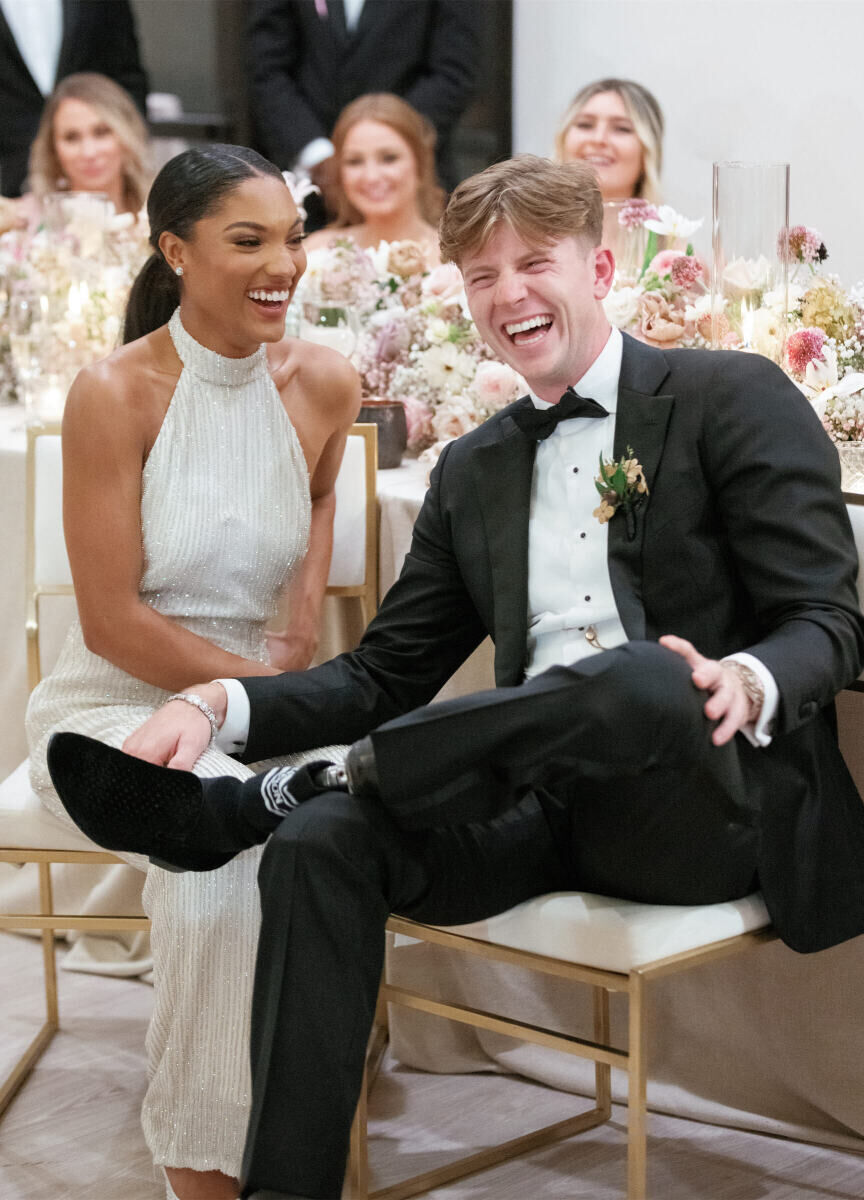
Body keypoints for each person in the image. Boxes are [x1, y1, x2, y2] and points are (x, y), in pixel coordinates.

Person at [48, 156, 864, 1200]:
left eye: (534, 263)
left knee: (648, 682)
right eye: (481, 276)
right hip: (538, 804)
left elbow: (830, 623)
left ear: (600, 265)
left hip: (703, 803)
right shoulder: (475, 468)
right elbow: (383, 673)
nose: (508, 295)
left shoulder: (726, 396)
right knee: (320, 846)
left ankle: (294, 786)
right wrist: (221, 702)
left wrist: (745, 680)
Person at [26, 144, 360, 1200]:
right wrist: (266, 696)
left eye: (293, 239)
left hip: (252, 700)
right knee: (220, 871)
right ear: (175, 251)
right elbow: (116, 622)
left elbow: (314, 495)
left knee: (292, 848)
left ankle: (291, 1134)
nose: (284, 266)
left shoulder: (325, 381)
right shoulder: (114, 393)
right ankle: (206, 1170)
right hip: (118, 697)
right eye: (248, 241)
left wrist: (301, 619)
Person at [247, 0, 482, 221]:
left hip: (412, 194)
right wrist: (317, 155)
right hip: (312, 198)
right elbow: (266, 69)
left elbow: (453, 74)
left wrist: (386, 149)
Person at [0, 0, 147, 198]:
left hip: (114, 185)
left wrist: (129, 147)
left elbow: (127, 74)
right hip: (10, 176)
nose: (89, 152)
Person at [303, 93, 443, 260]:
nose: (371, 177)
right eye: (355, 161)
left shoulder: (457, 259)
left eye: (389, 158)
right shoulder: (316, 251)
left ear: (420, 162)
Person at [19, 71, 152, 222]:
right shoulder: (26, 222)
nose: (89, 153)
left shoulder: (161, 215)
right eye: (71, 138)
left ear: (127, 135)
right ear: (53, 149)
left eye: (101, 133)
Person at [554, 77, 664, 204]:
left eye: (622, 128)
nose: (598, 139)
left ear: (648, 151)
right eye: (585, 124)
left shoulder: (675, 223)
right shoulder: (528, 222)